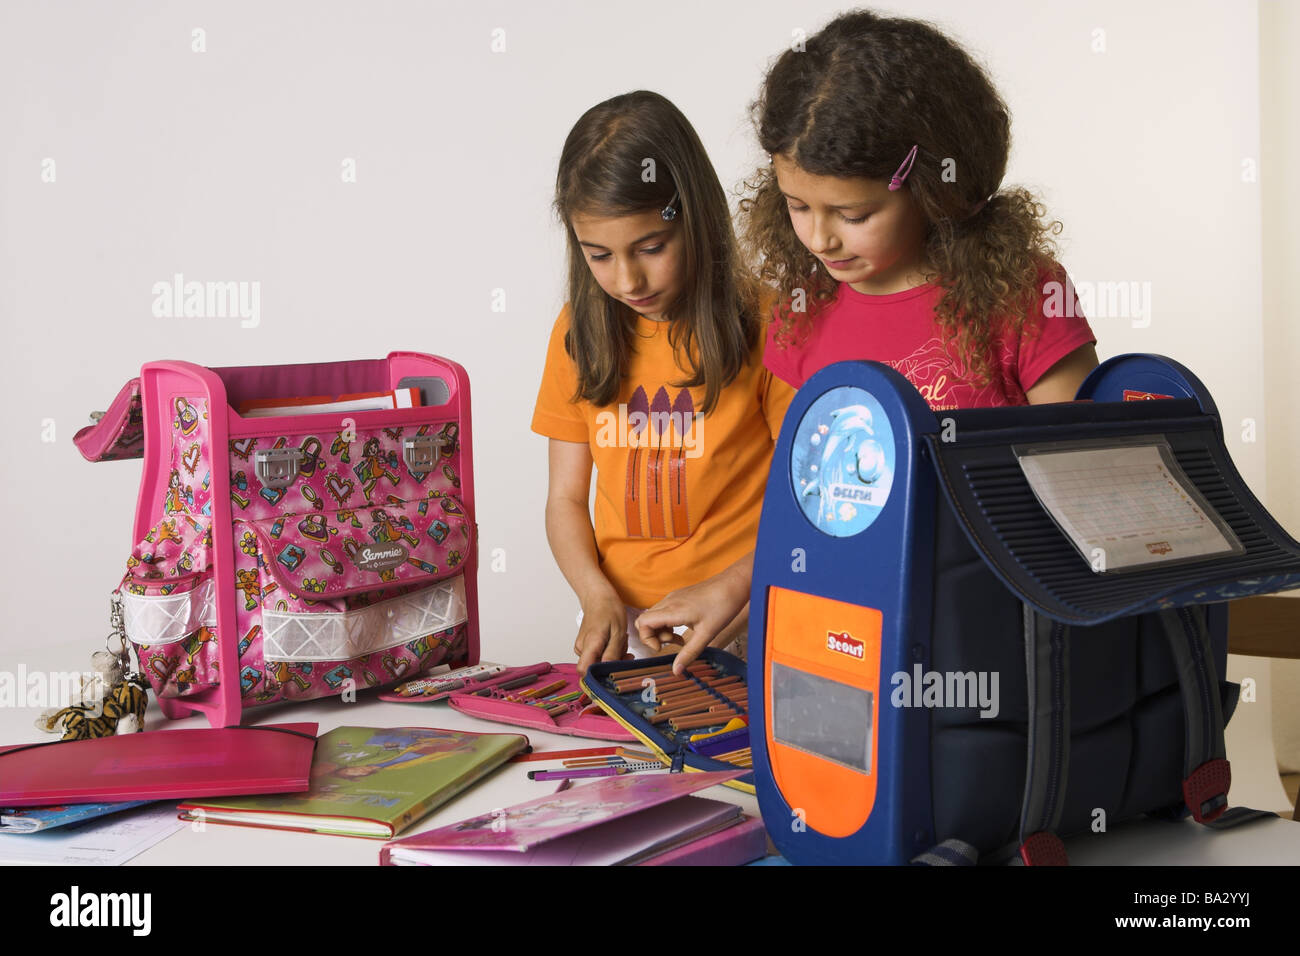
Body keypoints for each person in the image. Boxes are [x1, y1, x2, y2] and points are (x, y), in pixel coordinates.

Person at [635, 9, 1098, 672]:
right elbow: (806, 502)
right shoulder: (803, 307)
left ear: (935, 189)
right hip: (840, 634)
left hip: (989, 638)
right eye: (798, 206)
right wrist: (734, 587)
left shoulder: (1021, 294)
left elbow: (1078, 479)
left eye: (853, 215)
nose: (820, 238)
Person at [532, 91, 794, 673]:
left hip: (743, 612)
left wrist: (738, 587)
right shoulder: (577, 331)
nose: (628, 279)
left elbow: (809, 502)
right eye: (598, 255)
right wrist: (595, 594)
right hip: (619, 617)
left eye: (651, 248)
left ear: (694, 217)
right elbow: (566, 499)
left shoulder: (770, 324)